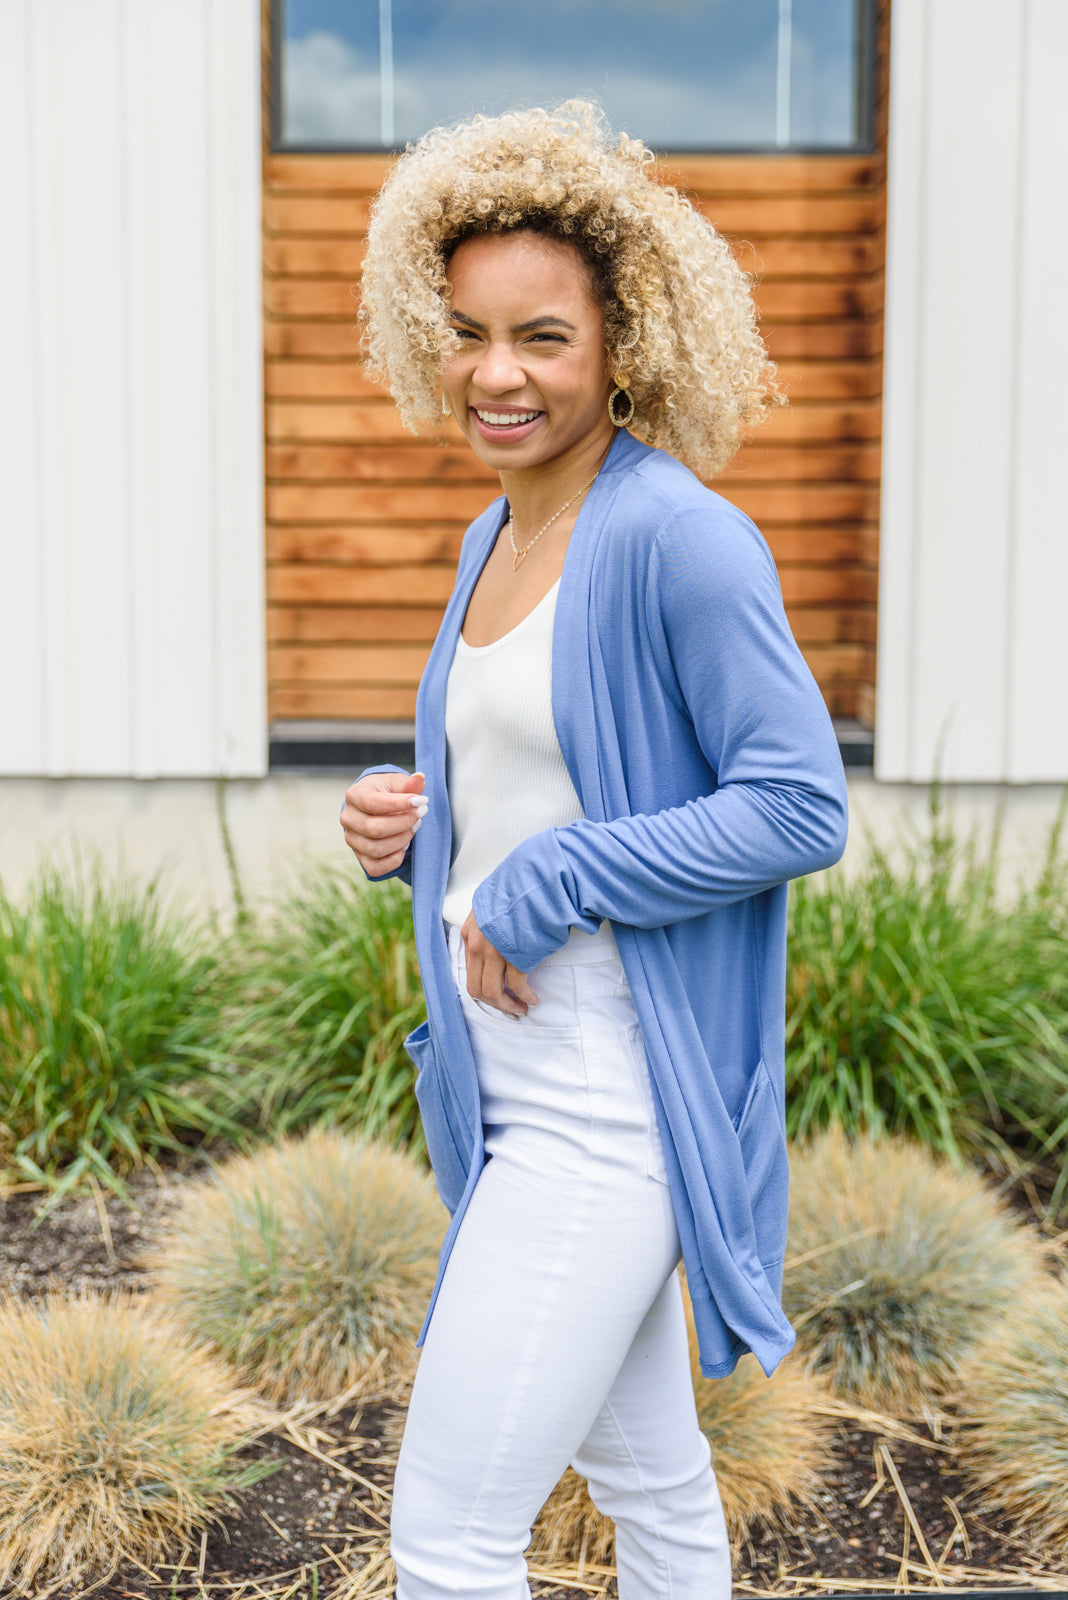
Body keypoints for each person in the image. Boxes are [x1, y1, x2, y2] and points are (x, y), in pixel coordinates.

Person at [340, 101, 848, 1600]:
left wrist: (549, 879)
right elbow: (534, 784)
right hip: (504, 1083)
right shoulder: (490, 538)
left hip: (604, 1092)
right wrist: (407, 826)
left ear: (624, 343)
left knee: (448, 1538)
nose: (496, 373)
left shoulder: (681, 537)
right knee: (652, 1489)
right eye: (467, 334)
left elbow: (799, 803)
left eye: (542, 338)